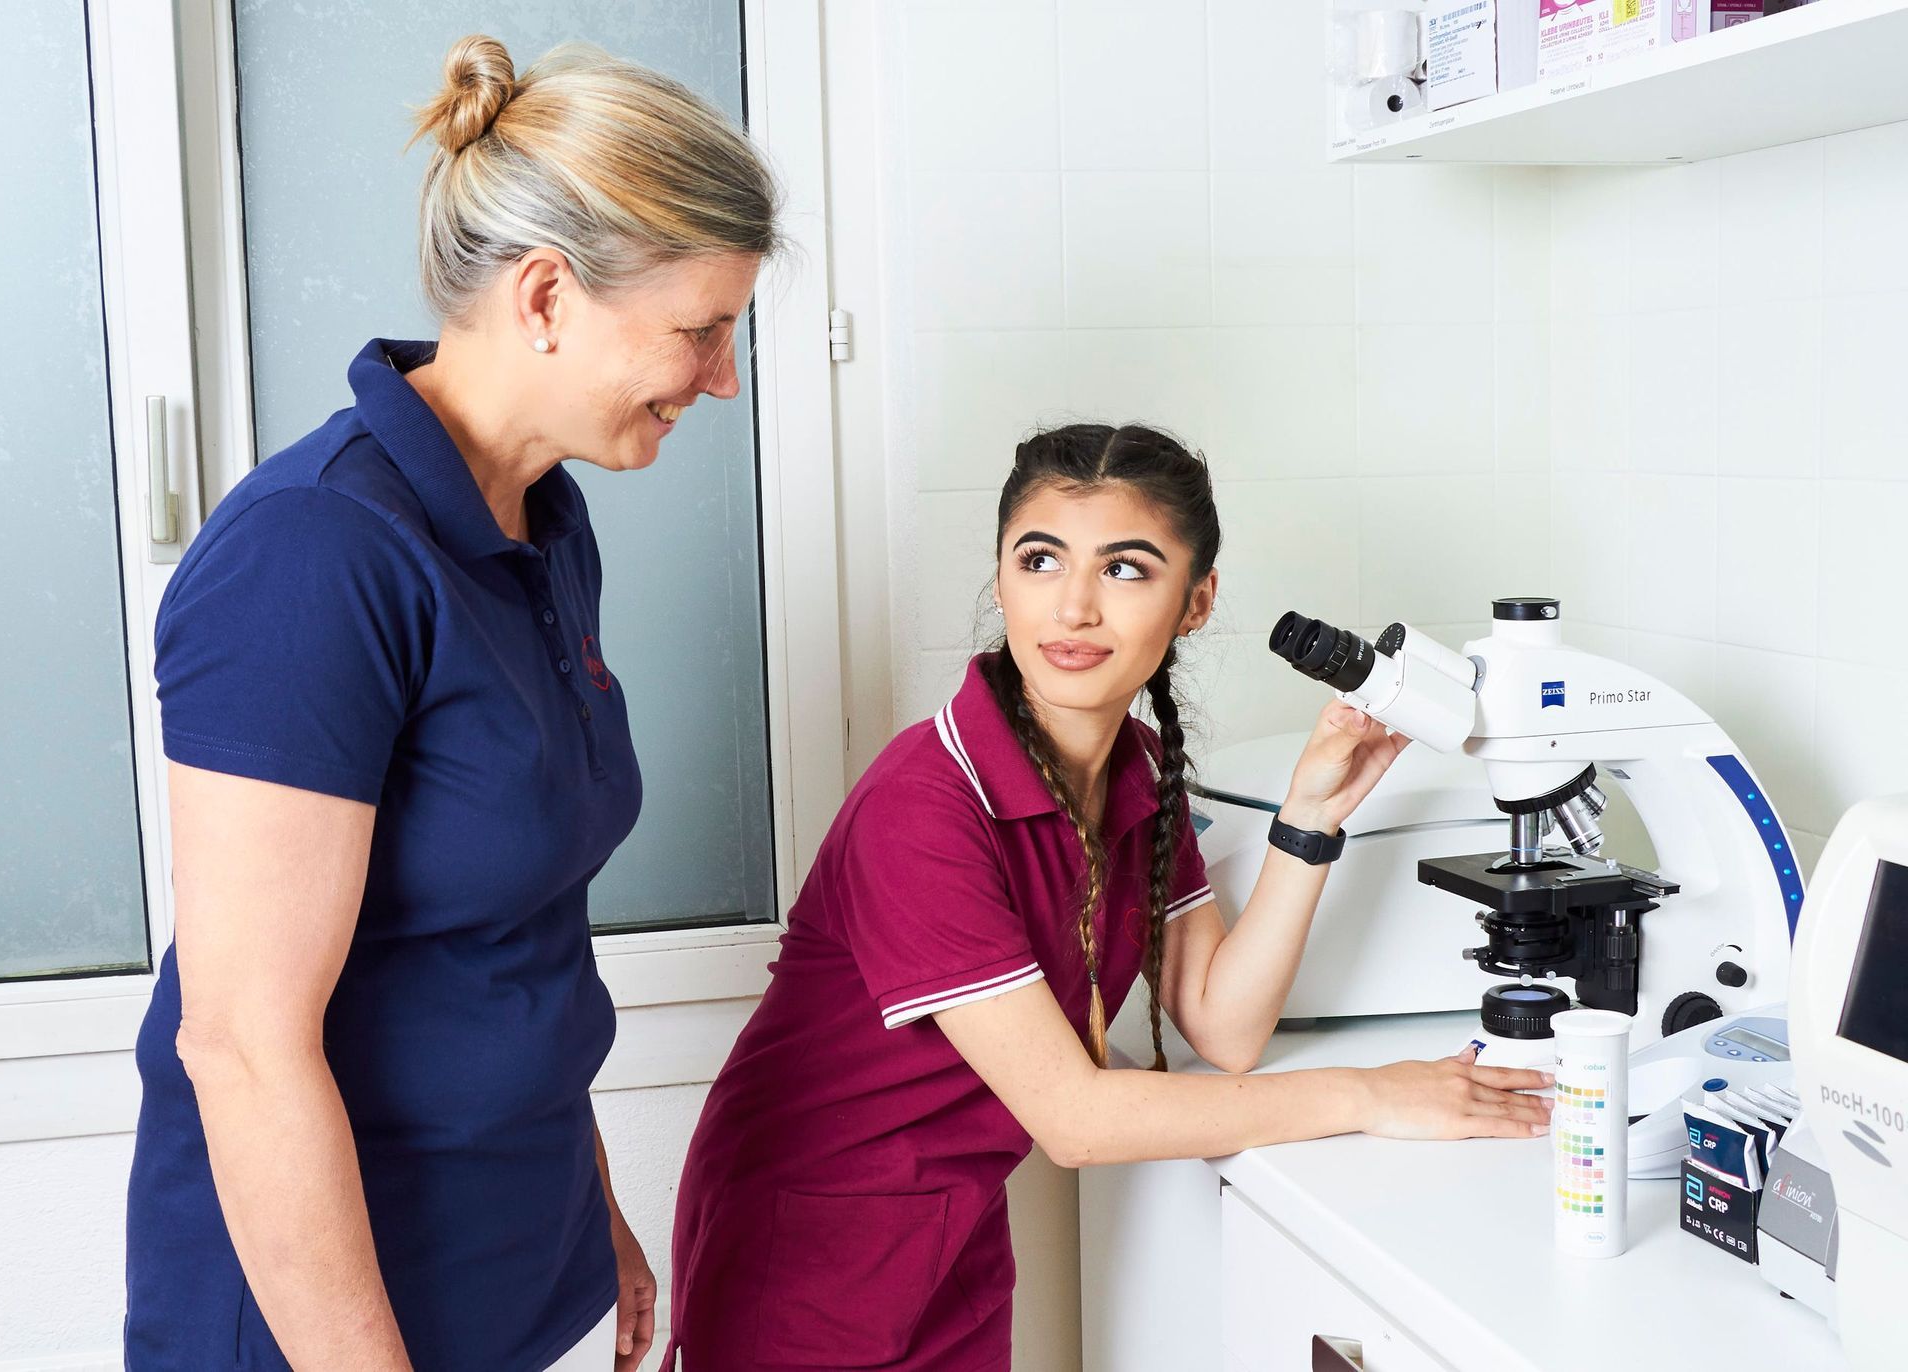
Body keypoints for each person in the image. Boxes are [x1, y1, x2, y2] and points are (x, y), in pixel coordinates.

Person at [123, 34, 778, 1372]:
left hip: (514, 1270)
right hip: (324, 1324)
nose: (722, 377)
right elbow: (241, 1046)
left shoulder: (544, 523)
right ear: (545, 295)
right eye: (701, 329)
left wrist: (592, 1214)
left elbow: (517, 925)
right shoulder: (313, 553)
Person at [662, 424, 1554, 1371]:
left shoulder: (1137, 771)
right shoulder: (921, 806)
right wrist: (1370, 1094)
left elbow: (1223, 1025)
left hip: (950, 1236)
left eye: (1125, 569)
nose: (1074, 607)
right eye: (1039, 560)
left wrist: (1311, 815)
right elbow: (1077, 1121)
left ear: (1196, 601)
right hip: (802, 1255)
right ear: (1001, 578)